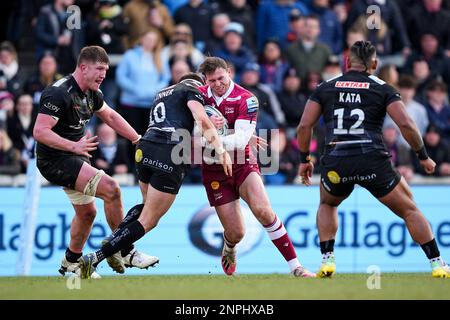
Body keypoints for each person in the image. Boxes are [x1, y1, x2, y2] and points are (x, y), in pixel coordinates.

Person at [297, 40, 450, 279]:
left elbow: (305, 125)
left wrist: (304, 158)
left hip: (337, 161)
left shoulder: (325, 87)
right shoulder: (382, 88)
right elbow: (406, 124)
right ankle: (437, 263)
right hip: (372, 160)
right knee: (410, 209)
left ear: (346, 61)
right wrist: (423, 156)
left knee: (328, 204)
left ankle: (327, 260)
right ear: (375, 64)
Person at [78, 73, 232, 278]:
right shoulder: (194, 91)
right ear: (200, 84)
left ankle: (115, 240)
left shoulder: (163, 93)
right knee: (150, 219)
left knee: (146, 204)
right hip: (169, 152)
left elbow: (177, 123)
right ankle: (96, 257)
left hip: (145, 147)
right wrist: (220, 148)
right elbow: (200, 119)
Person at [33, 46, 157, 278]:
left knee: (87, 213)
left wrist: (137, 140)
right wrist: (74, 146)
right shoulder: (58, 93)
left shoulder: (92, 93)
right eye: (99, 69)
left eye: (106, 70)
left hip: (75, 156)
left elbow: (110, 116)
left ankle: (71, 263)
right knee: (112, 190)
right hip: (54, 159)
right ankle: (124, 250)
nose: (103, 75)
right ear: (83, 67)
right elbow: (39, 132)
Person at [197, 57, 316, 278]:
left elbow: (241, 142)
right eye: (212, 80)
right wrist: (207, 135)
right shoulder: (198, 96)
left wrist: (212, 137)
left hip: (242, 162)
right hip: (213, 168)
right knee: (236, 232)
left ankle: (296, 267)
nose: (217, 84)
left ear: (229, 72)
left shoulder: (247, 99)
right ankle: (229, 246)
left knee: (263, 210)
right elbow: (191, 139)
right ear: (206, 80)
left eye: (221, 78)